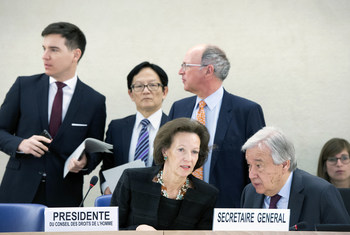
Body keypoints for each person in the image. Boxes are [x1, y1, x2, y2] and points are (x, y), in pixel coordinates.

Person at [0, 22, 106, 207]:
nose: (45, 56)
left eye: (54, 49)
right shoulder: (23, 87)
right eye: (44, 48)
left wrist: (85, 162)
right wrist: (21, 144)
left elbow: (94, 150)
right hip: (17, 192)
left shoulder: (94, 101)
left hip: (64, 196)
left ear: (76, 54)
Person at [168, 44, 265, 208]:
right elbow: (165, 160)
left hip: (226, 212)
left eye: (186, 66)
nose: (180, 71)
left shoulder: (246, 111)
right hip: (178, 210)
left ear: (208, 70)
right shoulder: (178, 108)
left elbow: (259, 167)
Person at [111, 118, 218, 230]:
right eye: (181, 150)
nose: (188, 158)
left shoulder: (207, 194)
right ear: (165, 151)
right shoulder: (132, 179)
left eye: (194, 152)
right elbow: (110, 230)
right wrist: (135, 230)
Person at [241, 127, 350, 231]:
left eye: (258, 165)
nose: (251, 175)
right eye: (249, 165)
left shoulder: (321, 193)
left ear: (284, 165)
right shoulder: (250, 193)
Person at [99, 61, 168, 195]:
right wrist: (106, 187)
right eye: (139, 86)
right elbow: (107, 166)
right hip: (123, 201)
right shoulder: (116, 128)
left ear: (164, 91)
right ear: (131, 94)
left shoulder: (175, 128)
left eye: (153, 85)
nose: (146, 91)